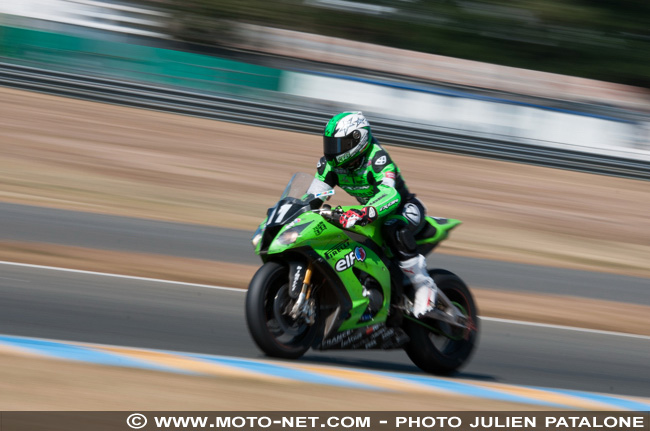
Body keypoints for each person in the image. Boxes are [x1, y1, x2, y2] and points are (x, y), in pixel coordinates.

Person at [315, 111, 438, 318]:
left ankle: (424, 285)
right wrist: (295, 209)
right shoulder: (330, 165)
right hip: (372, 214)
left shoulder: (377, 158)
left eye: (339, 145)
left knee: (392, 228)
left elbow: (390, 194)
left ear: (357, 140)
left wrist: (365, 212)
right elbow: (313, 196)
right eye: (330, 144)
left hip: (404, 208)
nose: (332, 150)